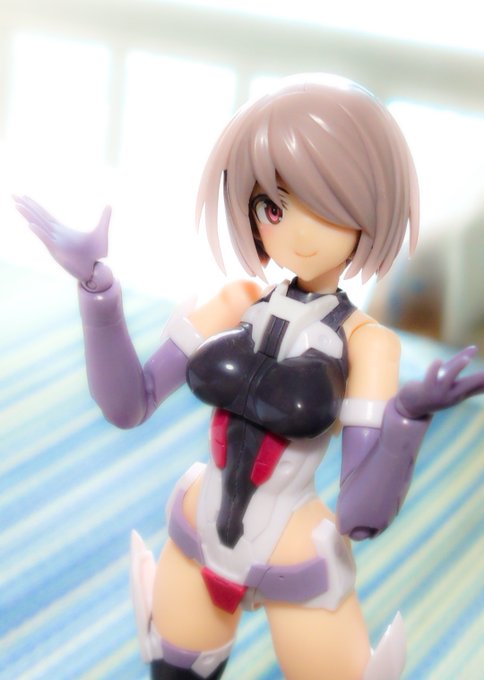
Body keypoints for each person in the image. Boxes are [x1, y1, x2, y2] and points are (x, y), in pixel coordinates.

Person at [15, 74, 484, 680]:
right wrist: (97, 291)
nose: (296, 231)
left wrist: (407, 421)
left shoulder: (367, 344)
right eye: (274, 206)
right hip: (197, 538)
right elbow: (131, 403)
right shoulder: (234, 301)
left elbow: (360, 514)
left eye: (328, 204)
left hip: (297, 559)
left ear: (369, 209)